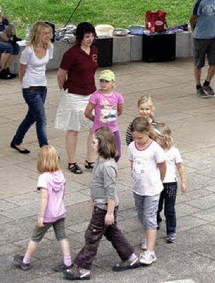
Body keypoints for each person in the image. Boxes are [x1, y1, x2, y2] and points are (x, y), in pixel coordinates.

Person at [63, 128, 140, 280]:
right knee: (112, 233)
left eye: (94, 142)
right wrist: (94, 201)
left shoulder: (108, 167)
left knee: (92, 236)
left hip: (105, 208)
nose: (91, 145)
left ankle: (83, 268)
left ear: (103, 144)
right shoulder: (100, 160)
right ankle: (130, 258)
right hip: (101, 205)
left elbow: (110, 192)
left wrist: (109, 212)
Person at [14, 145, 72, 272]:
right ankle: (68, 261)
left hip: (48, 214)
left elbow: (44, 198)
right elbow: (63, 193)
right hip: (60, 212)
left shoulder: (44, 177)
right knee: (62, 236)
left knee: (35, 237)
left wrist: (41, 217)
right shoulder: (60, 174)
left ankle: (25, 261)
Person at [55, 22, 98, 174]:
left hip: (91, 94)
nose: (90, 39)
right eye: (87, 36)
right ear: (80, 37)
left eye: (92, 36)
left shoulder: (94, 50)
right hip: (74, 94)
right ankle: (72, 161)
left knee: (94, 127)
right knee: (73, 129)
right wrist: (64, 88)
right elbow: (61, 75)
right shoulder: (71, 54)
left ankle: (90, 160)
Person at [127, 117, 166, 266]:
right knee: (141, 215)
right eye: (135, 137)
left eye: (141, 138)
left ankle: (150, 252)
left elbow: (162, 167)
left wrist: (159, 181)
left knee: (150, 217)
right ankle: (148, 237)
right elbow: (132, 163)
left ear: (147, 133)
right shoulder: (131, 146)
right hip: (138, 188)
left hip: (152, 189)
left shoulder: (155, 148)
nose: (138, 140)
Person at [11, 22, 54, 154]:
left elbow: (44, 65)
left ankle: (16, 141)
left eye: (49, 33)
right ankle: (45, 148)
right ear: (37, 34)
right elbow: (22, 68)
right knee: (41, 118)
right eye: (45, 33)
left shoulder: (50, 47)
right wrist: (23, 84)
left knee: (32, 117)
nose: (48, 36)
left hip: (42, 87)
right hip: (30, 88)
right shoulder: (29, 51)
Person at [154, 123, 187, 244]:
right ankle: (155, 224)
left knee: (169, 209)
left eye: (157, 138)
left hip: (170, 184)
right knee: (156, 207)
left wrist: (183, 182)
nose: (155, 140)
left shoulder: (174, 151)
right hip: (157, 183)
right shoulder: (154, 150)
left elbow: (180, 166)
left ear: (164, 138)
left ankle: (171, 231)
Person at [190, 0, 215, 98]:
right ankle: (198, 86)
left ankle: (207, 83)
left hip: (213, 36)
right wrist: (194, 31)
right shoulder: (200, 2)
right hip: (200, 37)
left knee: (214, 63)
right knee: (199, 63)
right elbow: (192, 18)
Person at [85, 70, 124, 162]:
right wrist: (96, 120)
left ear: (113, 82)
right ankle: (103, 169)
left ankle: (110, 166)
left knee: (117, 154)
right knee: (103, 153)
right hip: (100, 130)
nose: (103, 83)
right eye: (102, 81)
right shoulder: (96, 96)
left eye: (107, 81)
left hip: (113, 129)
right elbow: (87, 112)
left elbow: (119, 110)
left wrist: (112, 117)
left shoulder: (117, 96)